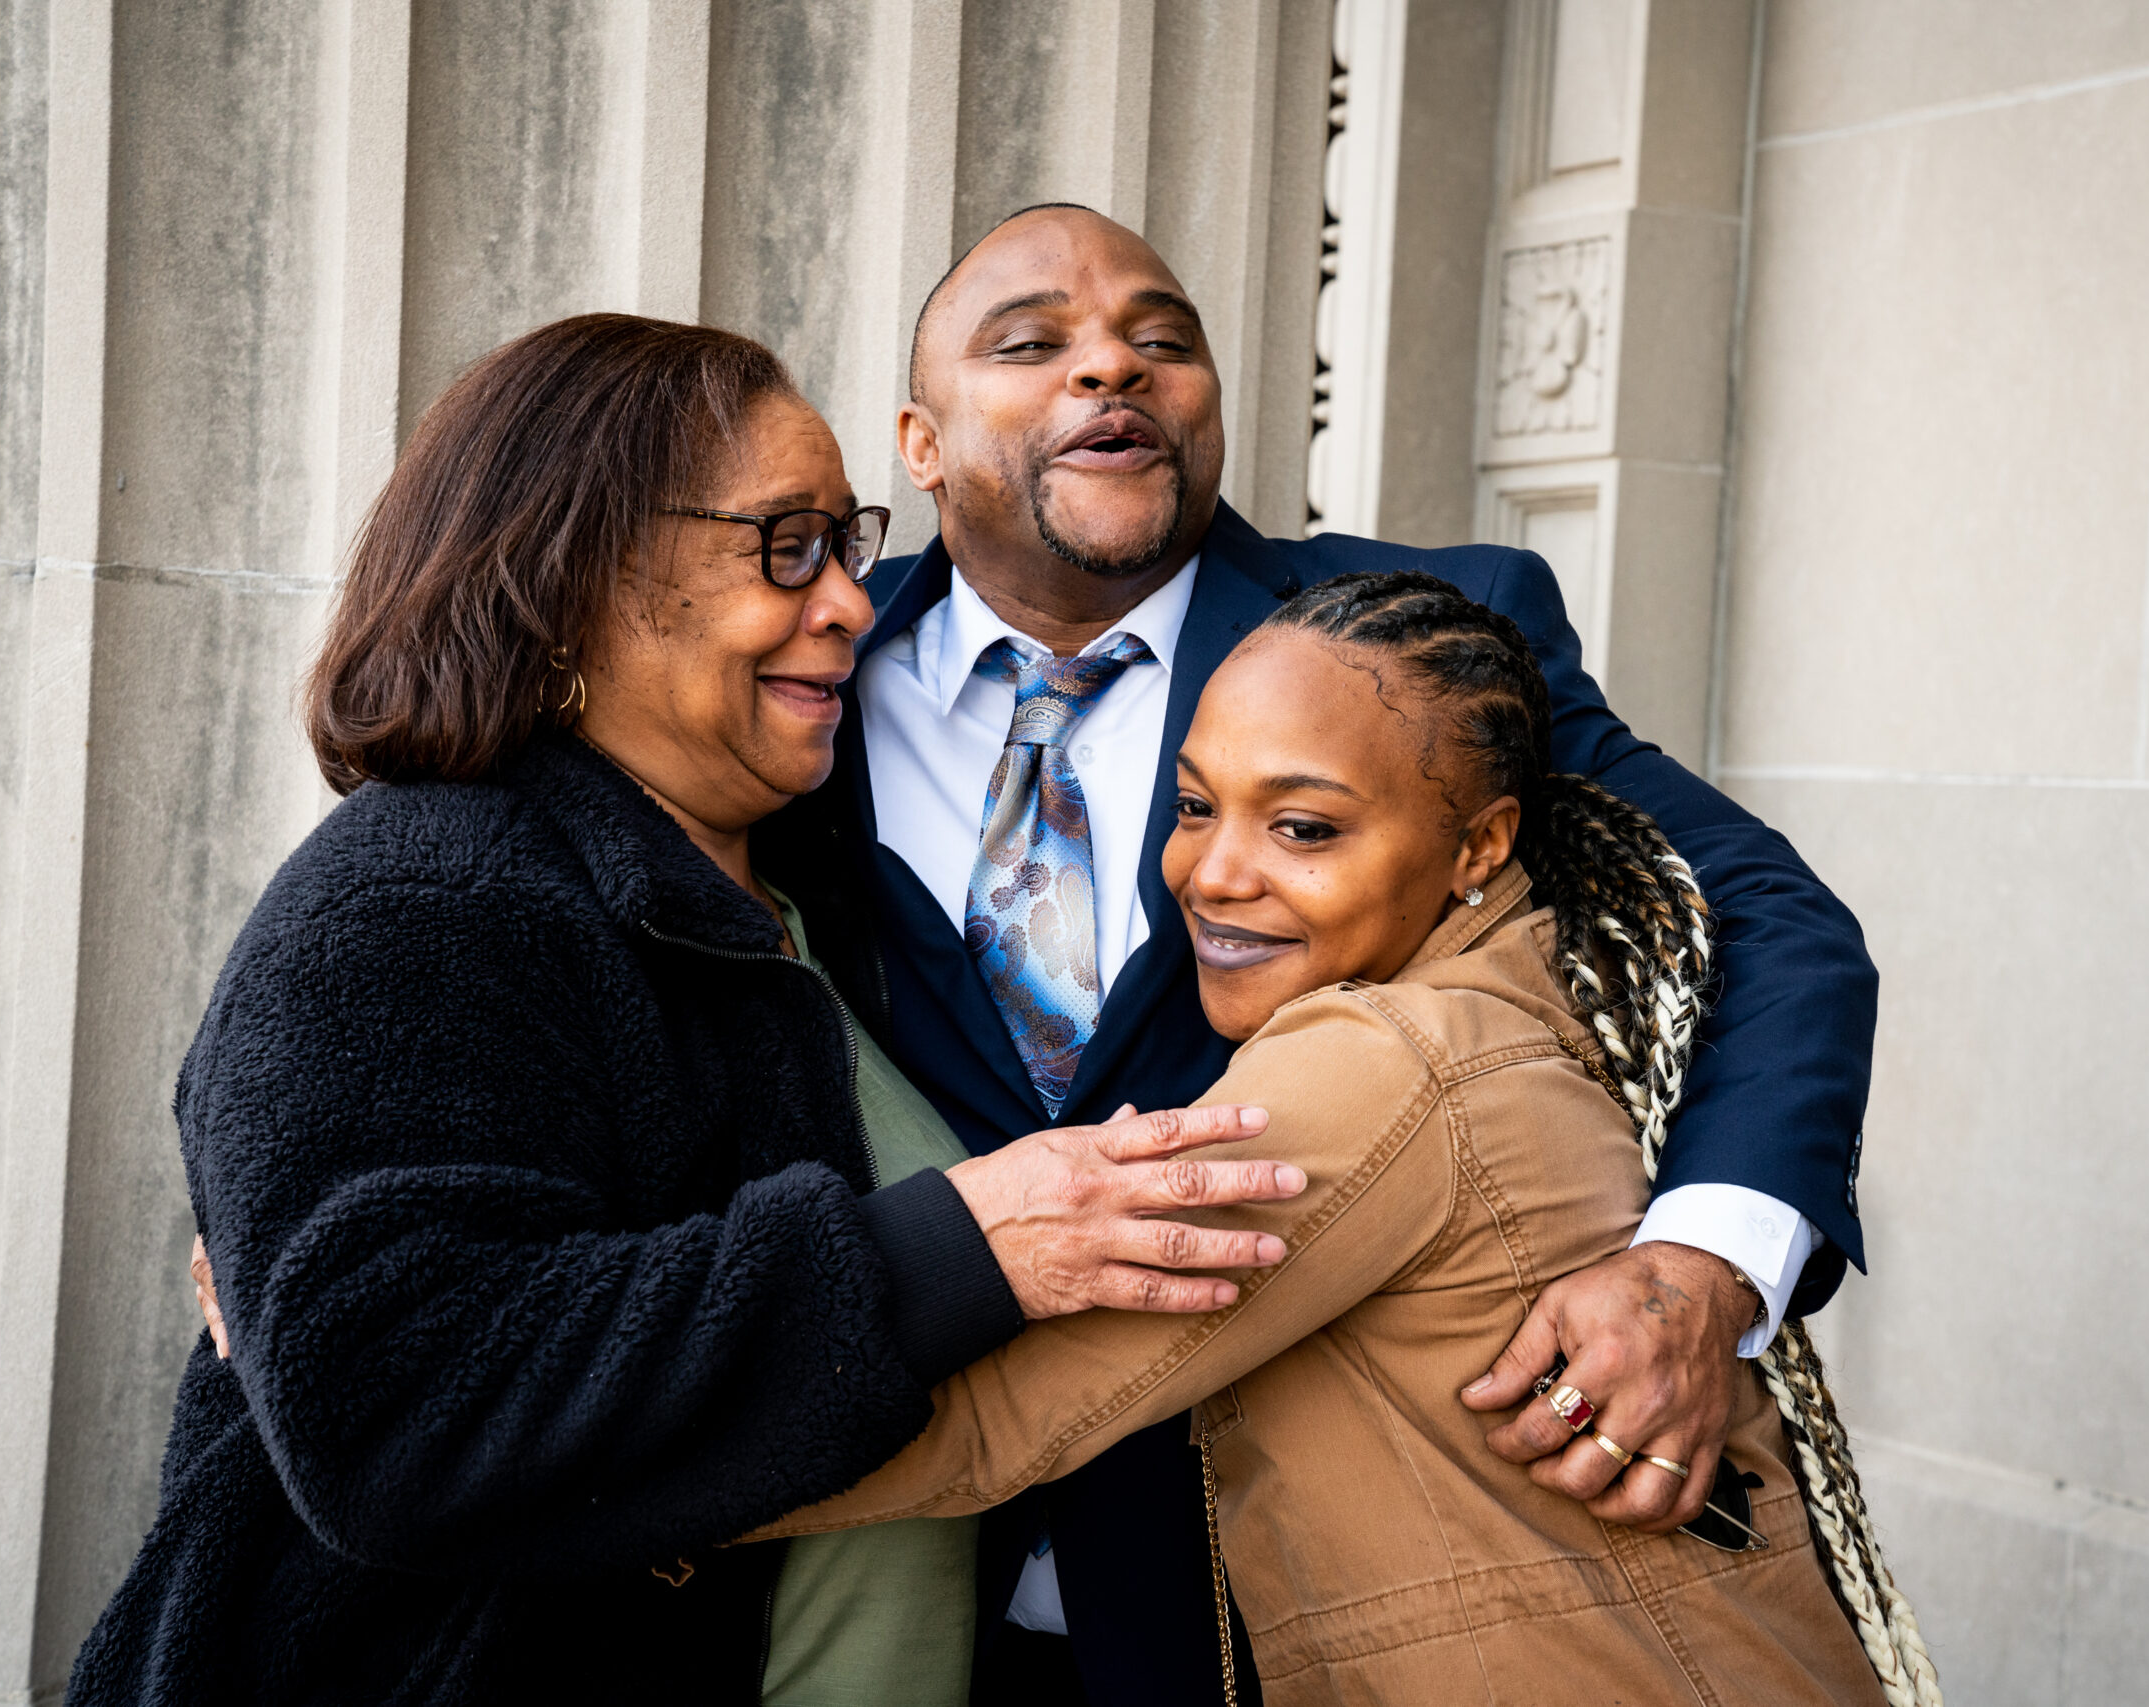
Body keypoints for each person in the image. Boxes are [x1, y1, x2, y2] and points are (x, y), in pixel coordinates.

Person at [71, 315, 1308, 1705]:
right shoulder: (416, 893)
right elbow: (396, 1413)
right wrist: (968, 1247)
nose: (852, 604)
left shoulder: (810, 890)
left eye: (847, 545)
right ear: (573, 570)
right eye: (787, 547)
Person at [775, 204, 1880, 1703]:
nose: (1113, 367)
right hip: (906, 1601)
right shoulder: (800, 669)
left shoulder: (1412, 644)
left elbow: (1759, 911)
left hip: (1292, 1606)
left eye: (1162, 340)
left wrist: (1703, 1271)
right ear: (918, 442)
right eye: (1033, 344)